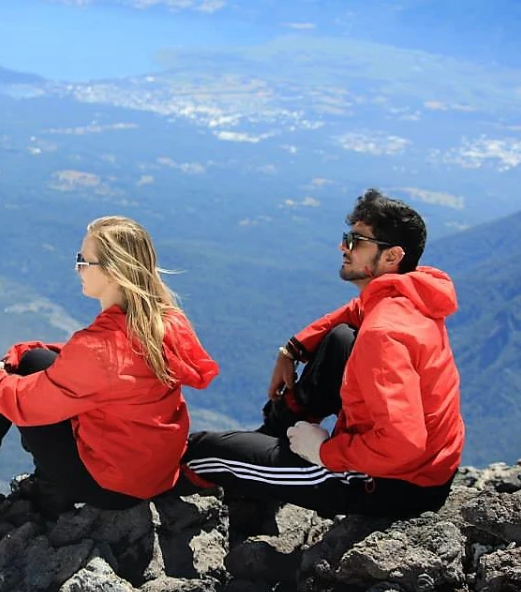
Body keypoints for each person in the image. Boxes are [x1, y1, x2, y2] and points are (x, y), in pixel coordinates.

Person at [0, 216, 218, 517]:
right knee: (33, 361)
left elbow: (28, 402)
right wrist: (25, 353)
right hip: (149, 471)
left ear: (112, 272)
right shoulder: (162, 322)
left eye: (83, 260)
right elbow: (105, 369)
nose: (77, 268)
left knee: (16, 388)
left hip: (113, 487)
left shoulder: (101, 348)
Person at [181, 189, 464, 518]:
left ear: (391, 256)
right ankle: (273, 439)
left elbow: (403, 444)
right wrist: (292, 349)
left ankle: (174, 497)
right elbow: (355, 311)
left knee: (202, 451)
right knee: (341, 338)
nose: (344, 247)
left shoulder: (382, 334)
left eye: (356, 241)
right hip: (427, 470)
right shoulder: (407, 299)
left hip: (388, 484)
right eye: (346, 238)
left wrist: (324, 452)